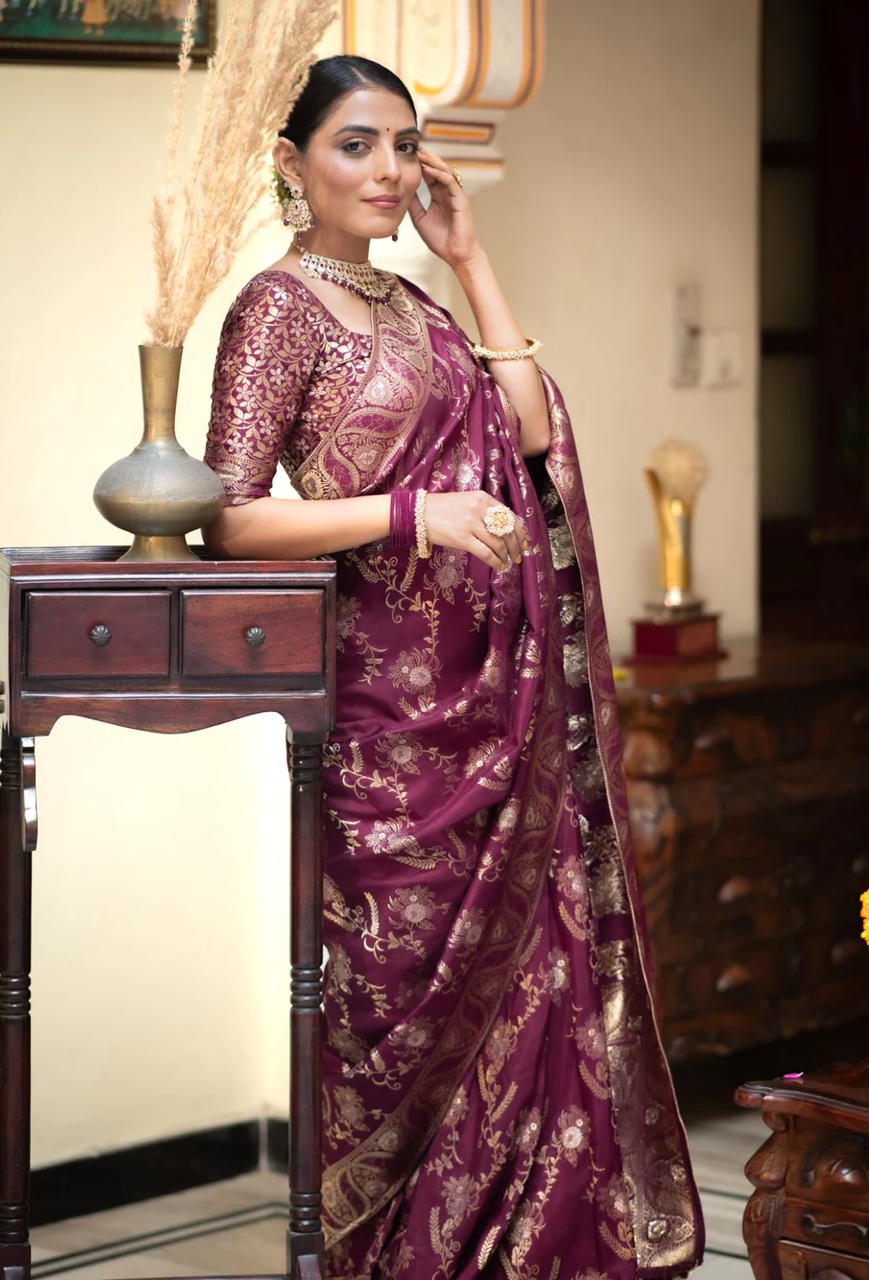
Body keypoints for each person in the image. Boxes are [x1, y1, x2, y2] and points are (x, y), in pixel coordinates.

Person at [202, 53, 704, 1280]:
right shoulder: (277, 310)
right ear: (292, 163)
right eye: (356, 145)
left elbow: (528, 432)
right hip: (392, 724)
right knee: (393, 994)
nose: (388, 170)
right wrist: (410, 513)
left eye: (403, 144)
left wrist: (471, 262)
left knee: (533, 996)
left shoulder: (417, 307)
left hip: (499, 698)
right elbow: (228, 515)